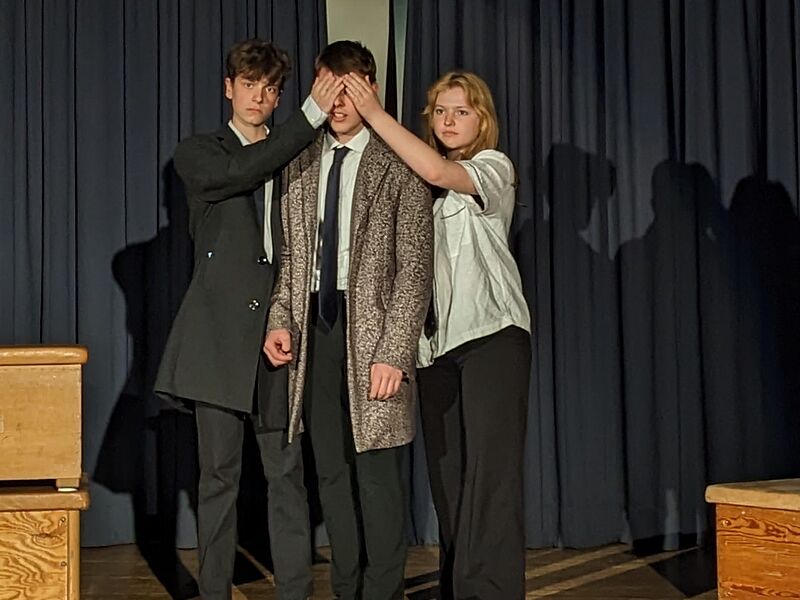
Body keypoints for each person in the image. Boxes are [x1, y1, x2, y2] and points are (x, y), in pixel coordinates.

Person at [154, 38, 342, 600]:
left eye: (270, 88)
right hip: (215, 339)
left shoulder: (298, 155)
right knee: (218, 477)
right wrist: (307, 119)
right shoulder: (200, 152)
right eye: (249, 84)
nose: (258, 96)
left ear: (279, 96)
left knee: (286, 473)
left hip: (277, 334)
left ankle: (295, 591)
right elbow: (240, 171)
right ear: (228, 88)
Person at [344, 70, 532, 599]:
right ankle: (458, 588)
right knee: (448, 479)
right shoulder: (412, 185)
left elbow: (439, 170)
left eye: (461, 112)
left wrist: (374, 114)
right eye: (441, 112)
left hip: (492, 336)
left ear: (482, 120)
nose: (448, 121)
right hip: (433, 350)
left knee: (490, 475)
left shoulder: (492, 167)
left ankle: (489, 591)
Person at [263, 41, 433, 600]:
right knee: (331, 470)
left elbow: (414, 270)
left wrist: (394, 352)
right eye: (328, 88)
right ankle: (346, 587)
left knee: (376, 473)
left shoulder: (398, 163)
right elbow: (291, 259)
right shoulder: (300, 161)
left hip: (374, 336)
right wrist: (281, 320)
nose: (338, 101)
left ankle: (382, 591)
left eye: (349, 88)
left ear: (370, 89)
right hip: (317, 328)